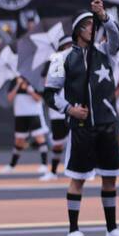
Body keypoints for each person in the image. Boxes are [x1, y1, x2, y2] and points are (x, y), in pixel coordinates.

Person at [43, 0, 119, 236]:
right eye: (88, 25)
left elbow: (118, 38)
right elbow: (49, 93)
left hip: (106, 124)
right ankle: (73, 230)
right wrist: (69, 109)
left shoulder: (106, 51)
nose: (93, 28)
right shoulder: (59, 59)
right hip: (82, 128)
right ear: (77, 31)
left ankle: (112, 228)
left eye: (94, 24)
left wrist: (103, 15)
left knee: (110, 177)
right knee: (78, 180)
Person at [4, 75, 53, 179]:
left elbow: (38, 99)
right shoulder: (15, 80)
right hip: (20, 114)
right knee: (18, 141)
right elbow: (9, 98)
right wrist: (18, 85)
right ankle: (12, 165)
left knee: (40, 138)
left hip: (33, 113)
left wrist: (28, 89)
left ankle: (44, 165)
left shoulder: (35, 79)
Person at [43, 36, 72, 178]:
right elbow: (48, 85)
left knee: (80, 141)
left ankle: (82, 171)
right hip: (58, 110)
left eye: (70, 45)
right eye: (65, 46)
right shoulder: (56, 62)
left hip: (76, 107)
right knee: (58, 143)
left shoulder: (80, 61)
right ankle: (53, 171)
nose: (69, 48)